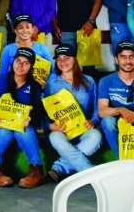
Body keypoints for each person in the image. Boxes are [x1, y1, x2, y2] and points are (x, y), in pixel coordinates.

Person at [0, 48, 45, 189]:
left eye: (26, 63)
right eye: (18, 61)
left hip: (22, 130)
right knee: (3, 130)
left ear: (31, 67)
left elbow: (37, 111)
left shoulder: (35, 86)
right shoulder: (1, 82)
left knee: (23, 129)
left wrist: (30, 119)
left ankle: (36, 170)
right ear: (13, 62)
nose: (20, 66)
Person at [44, 44, 102, 182]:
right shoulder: (51, 82)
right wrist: (50, 126)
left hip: (82, 128)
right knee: (54, 138)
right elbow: (43, 109)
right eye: (59, 59)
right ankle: (91, 173)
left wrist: (93, 121)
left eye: (66, 58)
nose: (62, 62)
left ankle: (60, 167)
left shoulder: (89, 81)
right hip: (62, 130)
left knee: (96, 136)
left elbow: (96, 108)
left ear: (75, 59)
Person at [0, 14, 53, 80]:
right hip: (14, 87)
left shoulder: (42, 48)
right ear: (16, 31)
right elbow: (2, 75)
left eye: (27, 27)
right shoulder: (8, 49)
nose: (25, 30)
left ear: (32, 29)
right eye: (21, 28)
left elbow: (53, 70)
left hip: (38, 87)